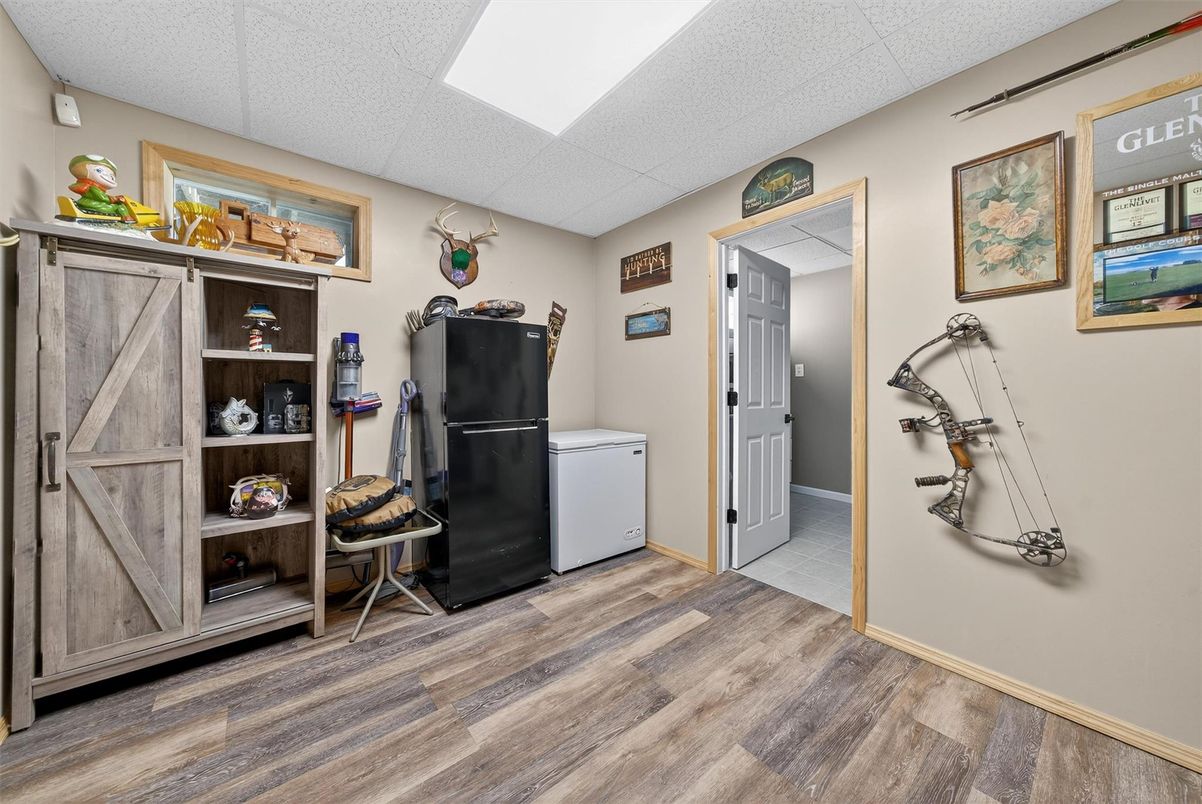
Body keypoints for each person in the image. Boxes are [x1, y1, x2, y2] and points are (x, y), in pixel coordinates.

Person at [67, 154, 135, 221]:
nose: (108, 176)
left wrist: (114, 198)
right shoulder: (93, 188)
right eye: (99, 171)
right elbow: (102, 198)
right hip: (93, 205)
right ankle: (127, 218)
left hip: (88, 203)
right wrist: (115, 199)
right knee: (119, 206)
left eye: (111, 176)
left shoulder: (92, 187)